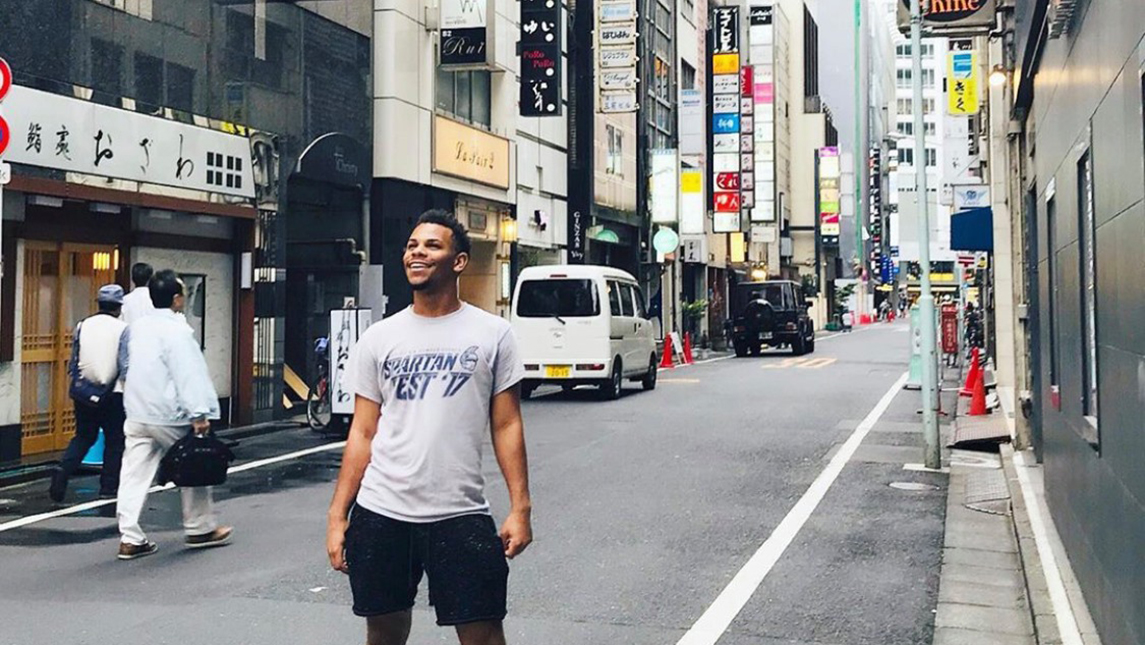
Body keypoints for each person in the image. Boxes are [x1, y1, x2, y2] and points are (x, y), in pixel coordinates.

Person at [326, 210, 532, 645]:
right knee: (384, 630)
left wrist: (520, 507)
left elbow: (507, 423)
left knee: (483, 632)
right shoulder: (380, 337)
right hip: (382, 511)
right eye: (412, 246)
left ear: (458, 262)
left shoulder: (493, 334)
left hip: (460, 513)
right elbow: (362, 432)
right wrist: (337, 515)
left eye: (432, 245)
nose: (417, 252)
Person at [116, 269, 231, 561]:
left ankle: (130, 537)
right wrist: (199, 413)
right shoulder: (178, 331)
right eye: (184, 293)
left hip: (137, 410)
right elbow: (188, 374)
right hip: (169, 413)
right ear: (177, 299)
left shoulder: (138, 327)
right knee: (194, 463)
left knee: (133, 474)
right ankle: (200, 528)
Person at [49, 285, 129, 503]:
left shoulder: (83, 325)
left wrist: (79, 381)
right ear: (119, 307)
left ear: (99, 304)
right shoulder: (123, 329)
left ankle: (63, 470)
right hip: (113, 394)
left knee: (84, 436)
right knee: (115, 440)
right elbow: (125, 365)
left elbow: (74, 360)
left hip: (84, 392)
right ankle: (108, 487)